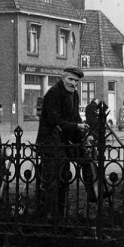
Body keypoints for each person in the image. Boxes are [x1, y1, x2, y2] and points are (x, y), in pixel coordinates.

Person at [36, 67, 92, 217]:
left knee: (65, 178)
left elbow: (75, 118)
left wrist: (83, 132)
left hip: (63, 142)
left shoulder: (74, 94)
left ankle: (61, 215)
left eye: (76, 81)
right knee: (51, 182)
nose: (73, 83)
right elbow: (55, 120)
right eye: (71, 79)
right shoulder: (53, 94)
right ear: (63, 78)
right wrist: (76, 126)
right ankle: (47, 217)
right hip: (50, 143)